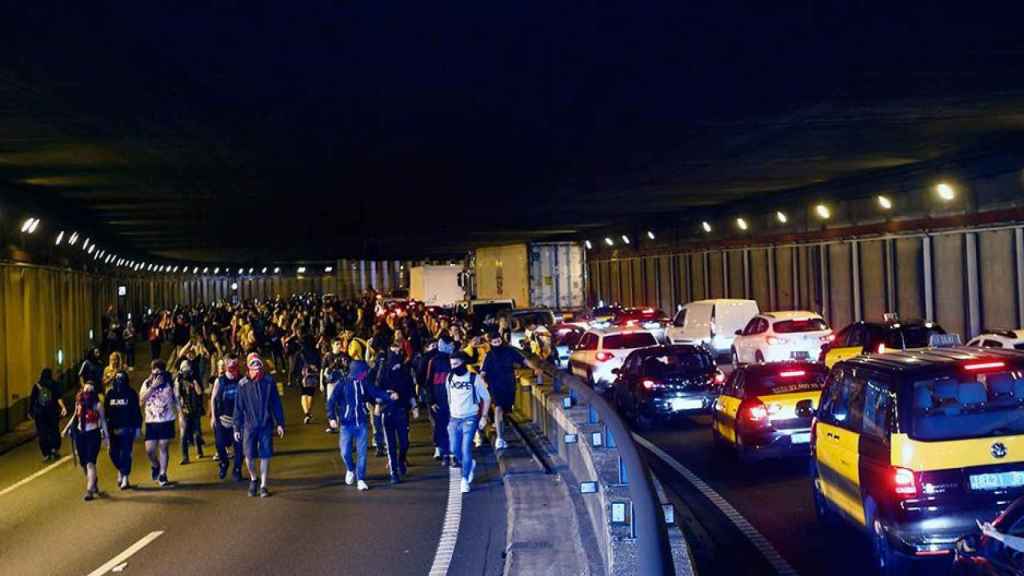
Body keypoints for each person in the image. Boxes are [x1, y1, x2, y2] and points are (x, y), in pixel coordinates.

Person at [327, 360, 397, 491]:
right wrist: (331, 417)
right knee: (345, 452)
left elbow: (375, 392)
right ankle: (350, 469)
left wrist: (389, 395)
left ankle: (361, 479)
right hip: (346, 424)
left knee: (362, 453)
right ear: (356, 371)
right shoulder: (342, 384)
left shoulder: (364, 383)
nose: (365, 374)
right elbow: (331, 401)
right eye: (363, 372)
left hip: (362, 424)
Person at [233, 354, 285, 498]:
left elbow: (276, 404)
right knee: (248, 457)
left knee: (265, 455)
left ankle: (263, 485)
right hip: (249, 426)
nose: (257, 372)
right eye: (254, 369)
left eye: (259, 368)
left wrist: (280, 423)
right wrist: (236, 427)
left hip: (265, 425)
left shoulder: (269, 382)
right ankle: (254, 478)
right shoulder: (242, 385)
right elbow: (238, 407)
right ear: (249, 368)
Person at [446, 351, 491, 494]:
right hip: (454, 418)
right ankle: (469, 464)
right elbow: (449, 396)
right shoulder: (450, 377)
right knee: (455, 450)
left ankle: (464, 479)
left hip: (470, 418)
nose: (453, 367)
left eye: (456, 364)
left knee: (466, 449)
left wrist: (483, 416)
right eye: (451, 364)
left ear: (463, 363)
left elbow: (486, 398)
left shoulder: (474, 379)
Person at [376, 342, 419, 483]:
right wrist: (380, 402)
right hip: (387, 411)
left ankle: (401, 460)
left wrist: (414, 406)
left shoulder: (405, 370)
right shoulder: (383, 370)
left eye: (399, 352)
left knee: (405, 442)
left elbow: (410, 388)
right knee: (391, 444)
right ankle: (393, 472)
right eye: (393, 352)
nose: (396, 355)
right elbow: (377, 389)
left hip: (402, 410)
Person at [481, 331, 530, 450]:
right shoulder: (489, 355)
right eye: (494, 342)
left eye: (498, 341)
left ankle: (500, 434)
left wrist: (536, 368)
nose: (497, 344)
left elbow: (523, 360)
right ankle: (500, 438)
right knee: (498, 408)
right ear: (491, 343)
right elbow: (483, 371)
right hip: (495, 385)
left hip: (509, 385)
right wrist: (482, 382)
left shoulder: (509, 351)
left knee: (505, 411)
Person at [140, 359, 178, 487]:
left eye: (159, 373)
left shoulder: (170, 383)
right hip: (151, 421)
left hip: (167, 419)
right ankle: (155, 465)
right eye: (154, 373)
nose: (157, 376)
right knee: (150, 450)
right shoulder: (147, 383)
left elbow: (176, 399)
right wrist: (153, 387)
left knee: (163, 446)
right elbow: (141, 400)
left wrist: (181, 414)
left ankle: (163, 474)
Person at [69, 381, 108, 501]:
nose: (86, 393)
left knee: (90, 462)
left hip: (93, 434)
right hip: (81, 435)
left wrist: (107, 438)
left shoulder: (97, 405)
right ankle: (93, 481)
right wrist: (67, 429)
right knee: (84, 463)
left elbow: (103, 421)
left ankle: (89, 490)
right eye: (85, 390)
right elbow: (75, 417)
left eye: (89, 390)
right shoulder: (79, 403)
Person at [104, 371, 142, 490]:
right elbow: (105, 413)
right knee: (112, 453)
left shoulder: (131, 393)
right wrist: (103, 430)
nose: (120, 381)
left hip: (127, 429)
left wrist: (137, 428)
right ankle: (121, 470)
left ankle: (125, 477)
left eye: (122, 379)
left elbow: (136, 412)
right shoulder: (110, 394)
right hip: (112, 430)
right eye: (118, 379)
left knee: (125, 453)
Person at [210, 356, 243, 481]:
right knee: (220, 444)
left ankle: (237, 469)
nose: (233, 366)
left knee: (239, 447)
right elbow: (213, 398)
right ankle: (224, 463)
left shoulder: (241, 380)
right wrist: (213, 416)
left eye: (235, 363)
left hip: (238, 420)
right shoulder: (220, 381)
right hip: (222, 418)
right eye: (230, 363)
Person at [425, 338, 455, 463]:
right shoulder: (451, 360)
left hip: (441, 399)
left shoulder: (434, 361)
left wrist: (431, 401)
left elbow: (428, 382)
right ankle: (450, 454)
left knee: (442, 427)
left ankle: (446, 454)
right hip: (450, 399)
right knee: (451, 427)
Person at [29, 368, 67, 461]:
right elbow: (58, 397)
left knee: (42, 433)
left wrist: (30, 412)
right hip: (52, 412)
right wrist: (63, 407)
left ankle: (46, 453)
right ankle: (54, 449)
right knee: (54, 430)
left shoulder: (37, 385)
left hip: (40, 413)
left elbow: (32, 400)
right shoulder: (54, 384)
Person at [175, 360, 205, 464]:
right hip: (185, 410)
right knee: (183, 435)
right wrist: (180, 411)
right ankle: (185, 457)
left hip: (195, 410)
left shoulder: (195, 379)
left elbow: (200, 392)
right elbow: (177, 397)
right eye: (184, 370)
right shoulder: (178, 381)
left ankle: (199, 451)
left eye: (188, 370)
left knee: (197, 432)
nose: (186, 372)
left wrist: (194, 381)